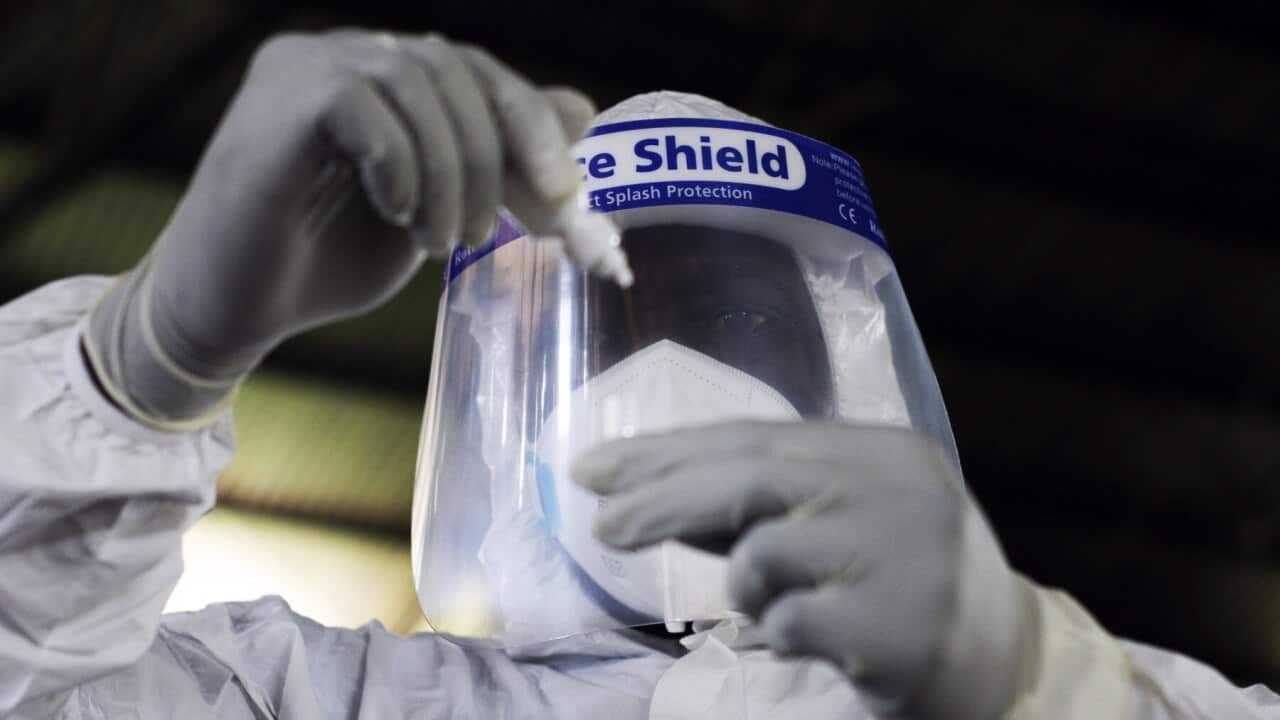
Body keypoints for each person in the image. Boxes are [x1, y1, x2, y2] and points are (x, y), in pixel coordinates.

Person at [1, 29, 1277, 720]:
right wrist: (140, 365)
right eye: (604, 324)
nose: (668, 375)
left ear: (844, 376)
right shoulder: (313, 699)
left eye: (734, 317)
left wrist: (1044, 690)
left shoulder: (1028, 689)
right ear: (501, 406)